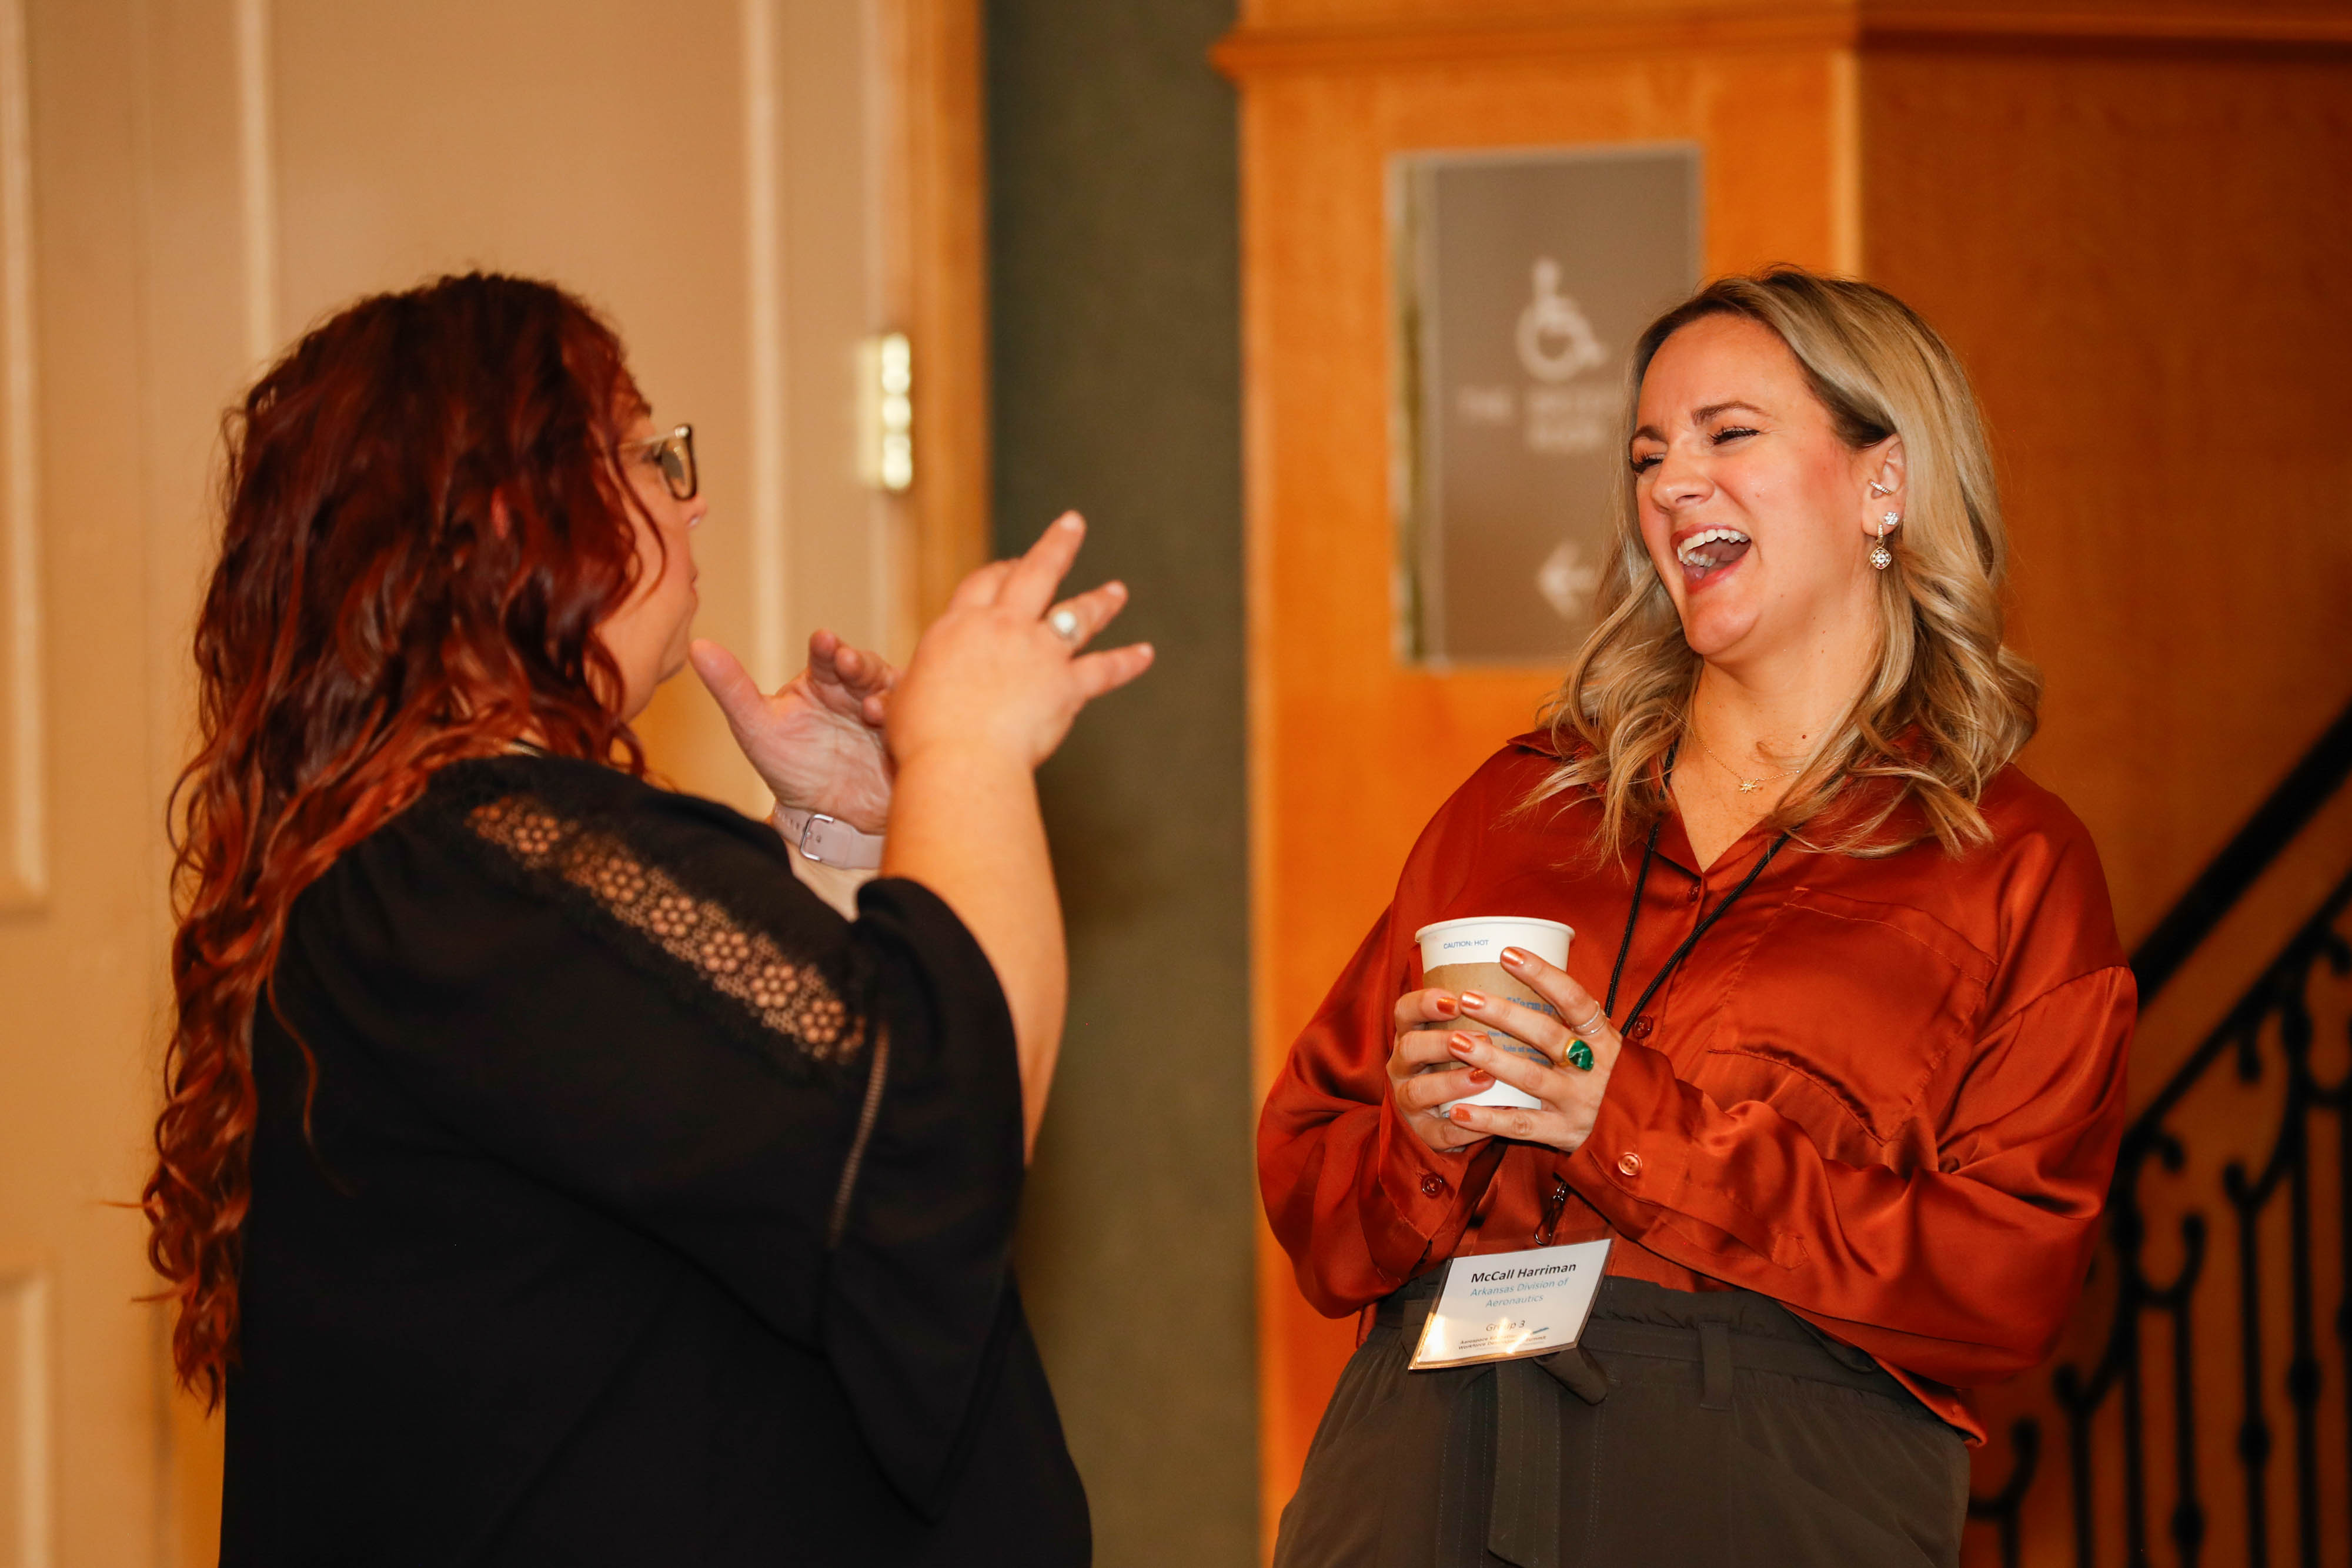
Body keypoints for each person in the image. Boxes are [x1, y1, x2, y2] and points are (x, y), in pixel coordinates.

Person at [140, 272, 1151, 1566]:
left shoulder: (450, 864)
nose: (690, 493)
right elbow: (931, 1133)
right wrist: (968, 747)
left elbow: (764, 1150)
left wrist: (860, 836)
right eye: (638, 452)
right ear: (510, 513)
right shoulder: (492, 867)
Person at [1261, 268, 2133, 1568]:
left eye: (1728, 434)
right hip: (1426, 1449)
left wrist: (1625, 1125)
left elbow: (2003, 1286)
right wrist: (1418, 1134)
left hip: (1766, 1480)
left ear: (1880, 481)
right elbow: (1315, 1190)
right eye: (1646, 452)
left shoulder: (2003, 862)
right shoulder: (1515, 806)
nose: (1672, 482)